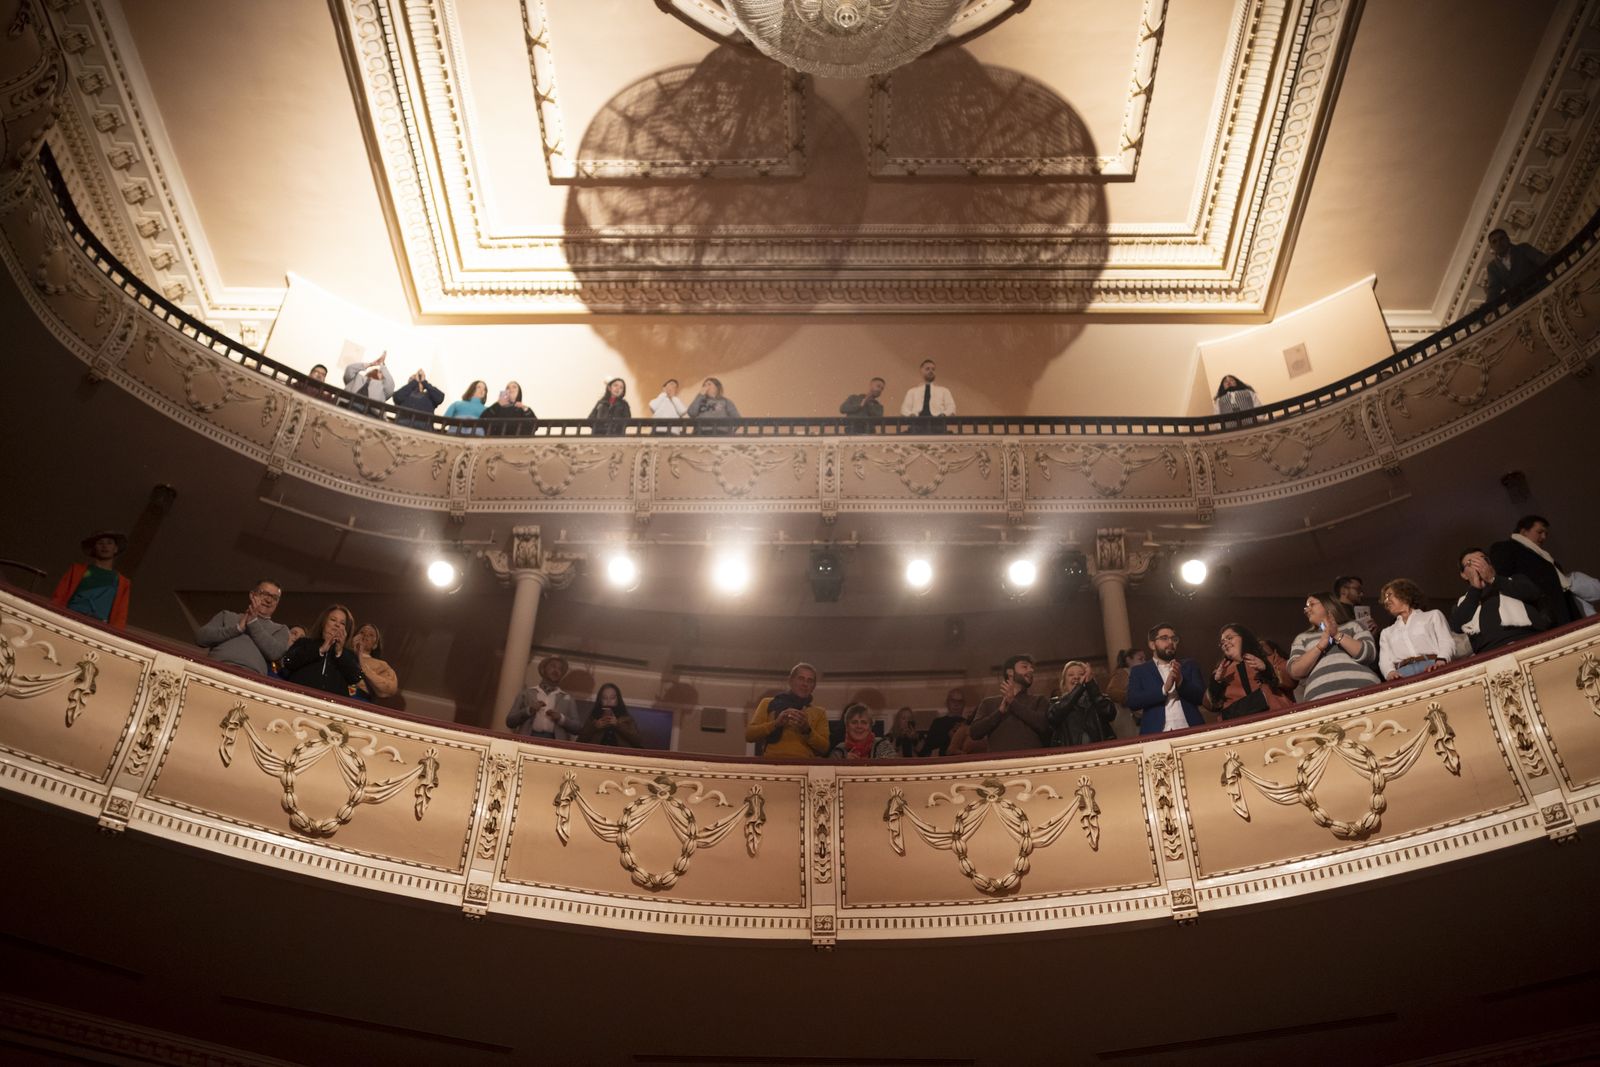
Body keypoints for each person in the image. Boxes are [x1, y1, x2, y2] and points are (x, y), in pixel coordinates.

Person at [1451, 549, 1549, 654]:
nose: (1478, 565)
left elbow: (1533, 593)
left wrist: (1494, 579)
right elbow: (1457, 625)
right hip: (1489, 652)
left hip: (1528, 640)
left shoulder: (1513, 580)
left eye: (1483, 560)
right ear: (1463, 574)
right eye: (1470, 563)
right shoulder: (1463, 602)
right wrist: (1475, 590)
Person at [1490, 516, 1582, 628]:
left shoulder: (1549, 560)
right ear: (1523, 532)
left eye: (1546, 534)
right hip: (1536, 616)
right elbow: (1502, 580)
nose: (1543, 537)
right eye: (1539, 532)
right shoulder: (1505, 548)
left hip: (1562, 615)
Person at [1289, 593, 1380, 701]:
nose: (1306, 610)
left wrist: (1336, 634)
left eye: (1311, 604)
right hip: (1320, 698)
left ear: (1328, 604)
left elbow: (1369, 654)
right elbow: (1294, 671)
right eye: (1306, 607)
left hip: (1363, 690)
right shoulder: (1303, 637)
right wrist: (1320, 645)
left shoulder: (1353, 625)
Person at [195, 580, 290, 676]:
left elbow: (275, 653)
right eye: (265, 594)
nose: (269, 600)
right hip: (214, 670)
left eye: (275, 598)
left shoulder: (281, 629)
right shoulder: (226, 615)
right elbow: (200, 638)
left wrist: (253, 623)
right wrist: (237, 629)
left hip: (251, 679)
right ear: (252, 595)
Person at [1127, 624, 1207, 735]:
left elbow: (1201, 698)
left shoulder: (1189, 666)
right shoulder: (1139, 671)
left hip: (1190, 729)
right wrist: (1164, 689)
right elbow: (1133, 701)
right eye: (1164, 638)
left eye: (1174, 639)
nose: (1170, 642)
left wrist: (1181, 682)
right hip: (1156, 733)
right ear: (1152, 645)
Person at [1206, 624, 1294, 720]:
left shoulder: (1268, 659)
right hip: (1240, 728)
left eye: (1229, 638)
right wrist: (1215, 683)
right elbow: (1210, 705)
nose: (1225, 644)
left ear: (1244, 637)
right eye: (1222, 643)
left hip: (1275, 719)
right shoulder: (1221, 673)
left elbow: (1291, 678)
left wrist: (1267, 669)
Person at [1377, 579, 1457, 680]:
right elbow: (1384, 660)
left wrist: (1441, 661)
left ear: (1404, 593)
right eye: (1385, 598)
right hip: (1402, 674)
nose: (1386, 601)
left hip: (1432, 666)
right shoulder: (1387, 632)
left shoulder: (1433, 616)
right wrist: (1390, 673)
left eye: (1389, 595)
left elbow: (1446, 641)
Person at [968, 655, 1050, 752]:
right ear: (1010, 672)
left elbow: (1044, 726)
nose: (1031, 670)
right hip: (1000, 764)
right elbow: (974, 733)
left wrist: (1013, 703)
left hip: (1031, 763)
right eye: (1025, 667)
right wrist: (999, 713)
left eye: (1031, 668)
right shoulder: (989, 703)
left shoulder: (1039, 700)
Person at [744, 663, 828, 758]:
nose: (805, 684)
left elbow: (824, 748)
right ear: (791, 681)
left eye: (810, 681)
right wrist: (775, 724)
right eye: (801, 679)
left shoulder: (819, 712)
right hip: (771, 763)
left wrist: (807, 730)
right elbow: (749, 735)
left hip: (803, 766)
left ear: (813, 687)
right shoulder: (768, 703)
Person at [52, 530, 132, 629]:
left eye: (109, 543)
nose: (105, 546)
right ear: (94, 548)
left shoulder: (122, 582)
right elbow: (59, 595)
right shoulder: (77, 570)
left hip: (98, 626)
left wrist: (114, 634)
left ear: (115, 549)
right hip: (69, 618)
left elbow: (121, 614)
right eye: (100, 543)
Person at [278, 604, 363, 697]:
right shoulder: (304, 643)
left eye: (342, 623)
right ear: (323, 623)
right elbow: (288, 661)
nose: (337, 625)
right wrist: (321, 649)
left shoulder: (348, 655)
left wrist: (339, 652)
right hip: (300, 699)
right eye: (333, 620)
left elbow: (356, 677)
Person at [505, 655, 581, 739]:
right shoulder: (526, 694)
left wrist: (561, 718)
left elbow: (577, 728)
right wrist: (529, 710)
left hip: (554, 745)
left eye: (560, 669)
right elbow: (510, 722)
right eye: (553, 666)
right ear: (543, 669)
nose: (556, 671)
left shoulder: (568, 699)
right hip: (527, 740)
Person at [1047, 661, 1117, 747]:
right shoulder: (1056, 703)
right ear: (1064, 684)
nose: (1076, 677)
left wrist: (1091, 685)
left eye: (1081, 674)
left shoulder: (1098, 699)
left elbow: (1109, 713)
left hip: (1100, 753)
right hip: (1070, 756)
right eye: (1071, 675)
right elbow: (1053, 717)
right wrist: (1079, 688)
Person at [1484, 228, 1547, 304]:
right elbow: (1494, 289)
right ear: (1491, 247)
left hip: (1540, 290)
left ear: (1508, 239)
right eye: (1494, 241)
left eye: (1501, 238)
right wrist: (1485, 306)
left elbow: (1541, 259)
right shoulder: (1492, 267)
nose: (1499, 243)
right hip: (1519, 303)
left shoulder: (1523, 248)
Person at [577, 684, 643, 748]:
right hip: (596, 754)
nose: (608, 701)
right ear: (600, 700)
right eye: (605, 698)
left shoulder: (626, 718)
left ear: (618, 700)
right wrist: (594, 727)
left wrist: (618, 725)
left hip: (620, 755)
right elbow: (580, 741)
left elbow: (638, 742)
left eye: (612, 698)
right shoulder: (593, 717)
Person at [348, 623, 399, 701]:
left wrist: (361, 661)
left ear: (375, 645)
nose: (365, 635)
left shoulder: (382, 665)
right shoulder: (342, 655)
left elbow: (390, 690)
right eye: (362, 632)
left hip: (360, 702)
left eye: (371, 635)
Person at [1104, 647, 1147, 736]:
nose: (1144, 662)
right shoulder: (1123, 673)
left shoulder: (1139, 674)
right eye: (1140, 659)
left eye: (1144, 659)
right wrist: (1133, 699)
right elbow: (1112, 691)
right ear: (1128, 660)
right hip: (1128, 720)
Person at [831, 703, 897, 760]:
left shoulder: (882, 745)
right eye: (854, 722)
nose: (859, 726)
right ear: (847, 727)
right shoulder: (839, 751)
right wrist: (843, 763)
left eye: (864, 722)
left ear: (870, 727)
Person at [898, 359, 955, 424]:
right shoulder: (912, 391)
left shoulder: (944, 391)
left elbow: (951, 407)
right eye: (927, 369)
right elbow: (904, 408)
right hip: (916, 424)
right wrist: (911, 414)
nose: (931, 371)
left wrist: (944, 414)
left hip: (938, 424)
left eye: (933, 369)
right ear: (921, 371)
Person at [917, 688, 971, 756]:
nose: (956, 704)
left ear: (963, 704)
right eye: (953, 701)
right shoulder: (938, 723)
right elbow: (927, 751)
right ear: (947, 703)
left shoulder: (968, 724)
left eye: (959, 701)